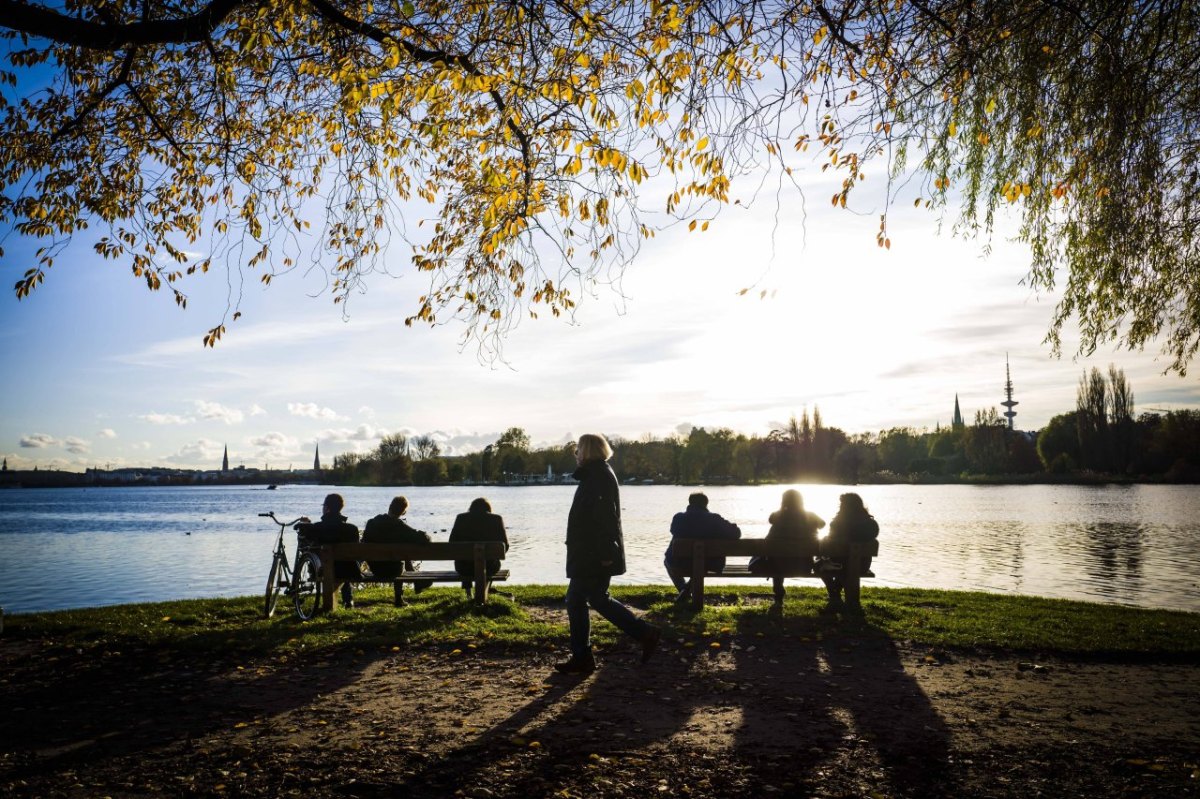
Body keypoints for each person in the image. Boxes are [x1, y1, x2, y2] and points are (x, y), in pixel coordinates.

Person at [556, 433, 661, 675]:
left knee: (585, 599)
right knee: (588, 598)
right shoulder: (597, 474)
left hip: (594, 553)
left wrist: (605, 553)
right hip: (590, 552)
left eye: (578, 450)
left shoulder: (597, 477)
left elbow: (604, 518)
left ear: (588, 452)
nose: (576, 455)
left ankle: (641, 634)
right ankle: (586, 655)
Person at [749, 489, 825, 606]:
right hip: (803, 566)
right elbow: (822, 524)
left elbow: (771, 520)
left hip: (776, 566)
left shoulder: (776, 516)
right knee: (779, 557)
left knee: (777, 558)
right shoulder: (810, 516)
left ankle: (778, 591)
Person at [665, 492, 741, 604]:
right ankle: (685, 591)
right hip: (711, 564)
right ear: (706, 504)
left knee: (667, 560)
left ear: (690, 503)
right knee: (701, 564)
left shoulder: (678, 518)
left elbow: (673, 530)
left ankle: (683, 590)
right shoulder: (715, 519)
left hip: (680, 562)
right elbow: (736, 534)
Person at [295, 492, 360, 607]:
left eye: (323, 506)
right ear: (340, 508)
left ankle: (342, 601)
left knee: (336, 564)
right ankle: (348, 600)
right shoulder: (352, 529)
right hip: (349, 570)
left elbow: (304, 547)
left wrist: (306, 525)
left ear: (327, 508)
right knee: (345, 561)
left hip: (322, 571)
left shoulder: (316, 528)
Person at [819, 492, 879, 612]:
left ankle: (834, 593)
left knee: (819, 564)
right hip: (862, 566)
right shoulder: (871, 524)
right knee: (847, 566)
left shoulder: (837, 524)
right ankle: (838, 593)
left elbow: (827, 546)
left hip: (838, 565)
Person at [362, 496, 433, 593]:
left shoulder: (371, 523)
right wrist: (427, 536)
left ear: (390, 506)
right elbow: (423, 538)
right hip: (394, 570)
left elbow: (363, 543)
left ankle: (409, 589)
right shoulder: (400, 526)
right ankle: (400, 597)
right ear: (403, 512)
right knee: (399, 556)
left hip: (376, 568)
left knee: (399, 554)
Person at [448, 497, 508, 597]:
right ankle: (484, 590)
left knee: (463, 558)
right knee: (489, 561)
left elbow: (452, 543)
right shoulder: (496, 519)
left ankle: (468, 593)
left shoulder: (460, 518)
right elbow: (506, 545)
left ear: (471, 507)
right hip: (489, 567)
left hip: (463, 568)